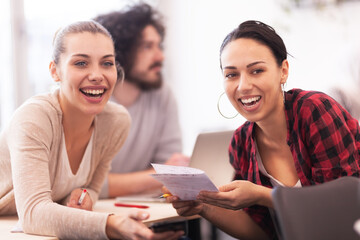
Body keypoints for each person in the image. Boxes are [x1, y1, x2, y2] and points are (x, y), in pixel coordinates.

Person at [167, 20, 360, 240]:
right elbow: (264, 234)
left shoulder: (314, 110)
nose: (243, 86)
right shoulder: (241, 143)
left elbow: (343, 209)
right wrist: (203, 207)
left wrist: (261, 195)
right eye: (232, 75)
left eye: (256, 71)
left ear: (283, 71)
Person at [0, 20, 184, 240]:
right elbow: (32, 213)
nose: (97, 75)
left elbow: (92, 189)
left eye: (107, 63)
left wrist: (84, 196)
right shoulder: (34, 117)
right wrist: (110, 223)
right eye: (81, 63)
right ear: (55, 71)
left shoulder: (116, 122)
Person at [94, 3, 190, 198]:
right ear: (119, 53)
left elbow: (170, 175)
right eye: (147, 46)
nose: (160, 56)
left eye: (159, 46)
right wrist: (158, 175)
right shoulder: (91, 99)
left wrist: (163, 175)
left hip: (146, 211)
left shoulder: (163, 95)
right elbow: (88, 185)